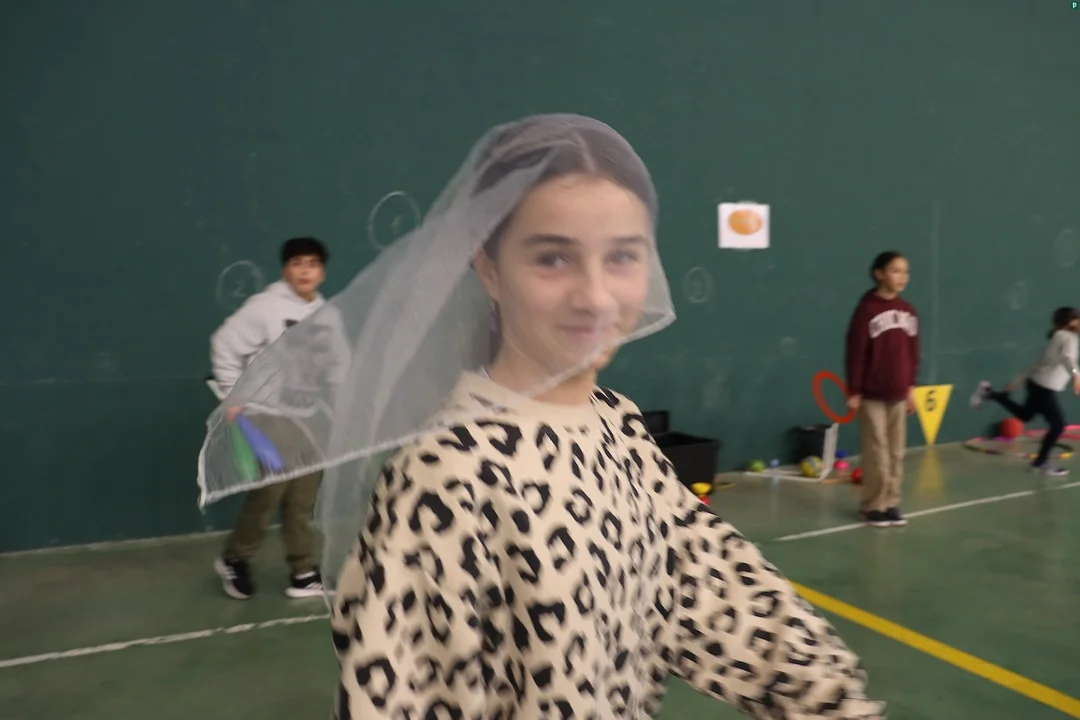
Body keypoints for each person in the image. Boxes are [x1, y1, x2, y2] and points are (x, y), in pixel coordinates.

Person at [320, 116, 884, 719]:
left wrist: (830, 698)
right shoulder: (448, 474)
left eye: (621, 257)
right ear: (488, 268)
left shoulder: (616, 424)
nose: (595, 296)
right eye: (552, 258)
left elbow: (712, 588)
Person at [210, 236, 332, 599]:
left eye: (312, 264)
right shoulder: (264, 308)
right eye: (297, 263)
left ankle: (303, 571)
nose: (305, 271)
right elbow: (224, 343)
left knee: (302, 498)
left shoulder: (326, 312)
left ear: (322, 272)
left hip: (307, 417)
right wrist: (232, 395)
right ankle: (235, 558)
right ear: (285, 270)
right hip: (266, 414)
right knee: (270, 492)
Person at [844, 251, 919, 529]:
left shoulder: (909, 311)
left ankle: (891, 502)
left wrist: (910, 387)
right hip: (871, 395)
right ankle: (873, 506)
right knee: (877, 452)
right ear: (879, 274)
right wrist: (854, 391)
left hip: (899, 394)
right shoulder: (866, 310)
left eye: (906, 271)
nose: (902, 277)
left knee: (897, 453)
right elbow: (855, 353)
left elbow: (913, 352)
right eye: (896, 271)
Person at [970, 306, 1080, 477]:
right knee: (1058, 425)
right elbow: (1068, 358)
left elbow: (1036, 363)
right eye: (1076, 318)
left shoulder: (1057, 337)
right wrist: (1076, 376)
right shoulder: (1069, 338)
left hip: (1035, 384)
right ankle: (1041, 461)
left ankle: (989, 393)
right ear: (1071, 322)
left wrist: (1016, 381)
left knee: (1025, 415)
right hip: (1044, 388)